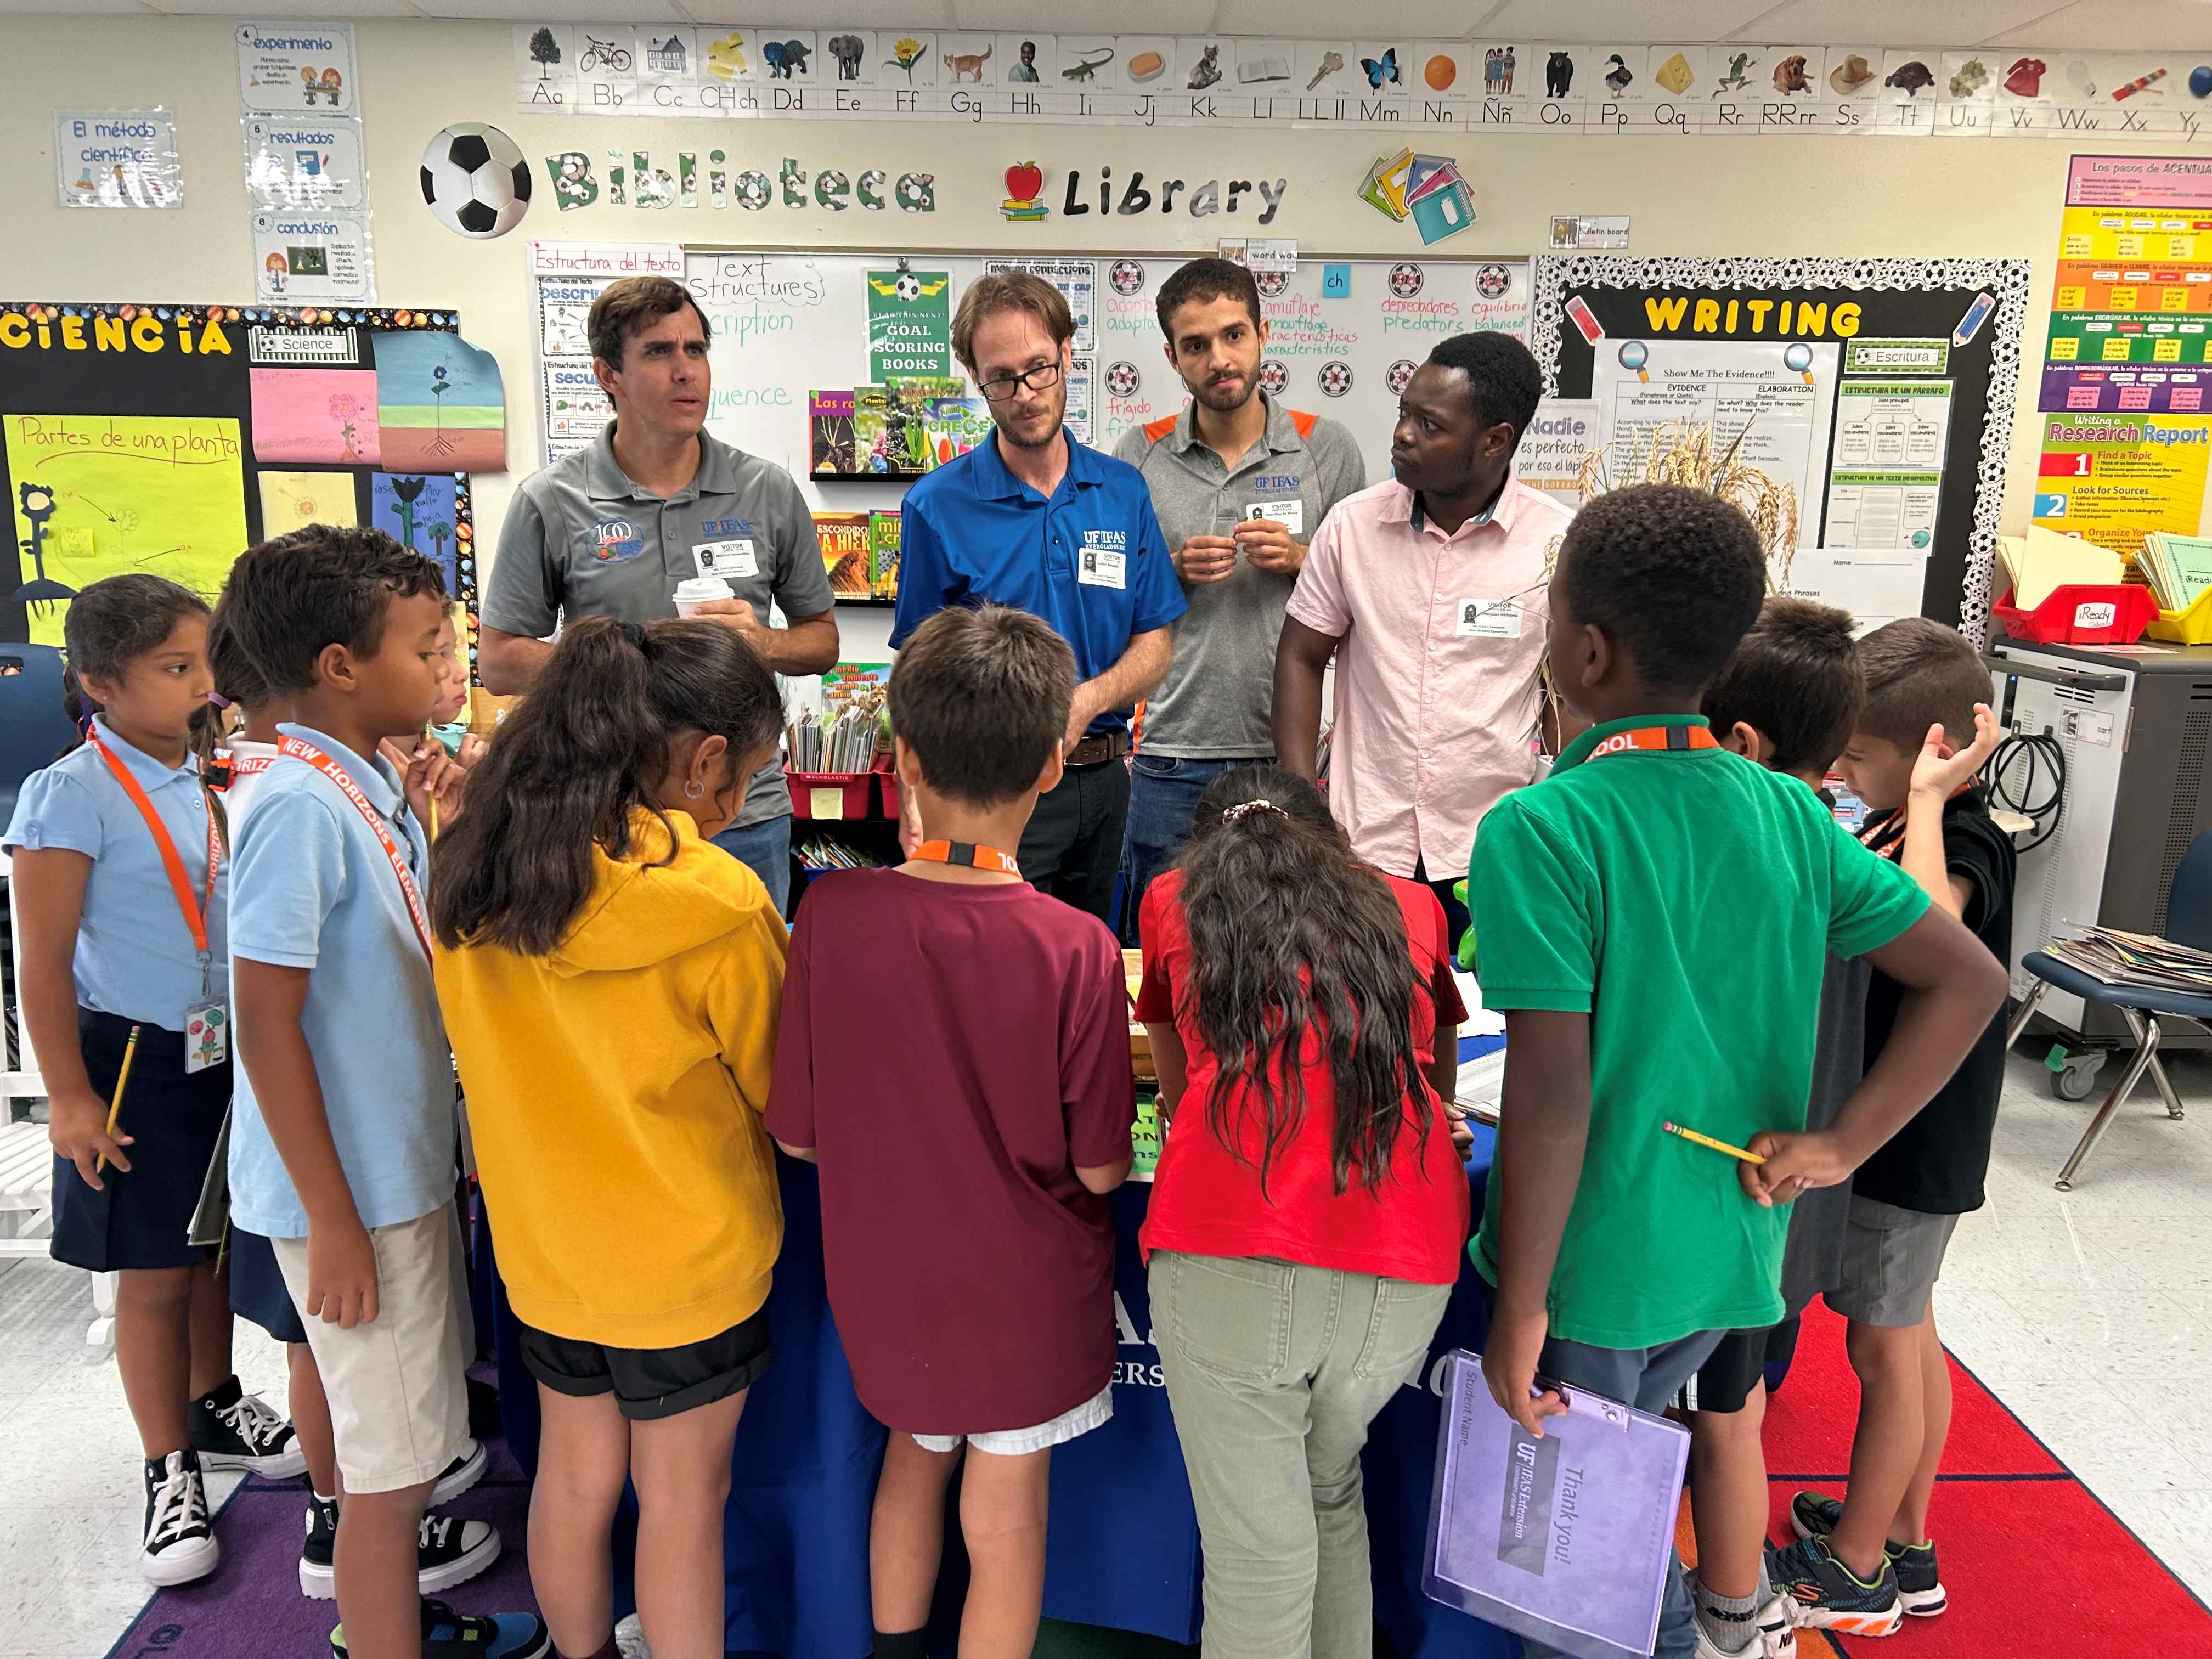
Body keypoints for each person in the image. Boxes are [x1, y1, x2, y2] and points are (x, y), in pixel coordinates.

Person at [1465, 486, 2009, 1659]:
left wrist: (1520, 1307)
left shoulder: (1543, 829)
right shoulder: (1786, 811)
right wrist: (1839, 1147)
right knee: (1629, 1496)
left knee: (1581, 1560)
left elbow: (1552, 1101)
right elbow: (1969, 980)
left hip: (1595, 1265)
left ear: (1585, 648)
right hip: (1732, 1250)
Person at [766, 606, 1135, 1659]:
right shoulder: (1076, 948)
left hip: (886, 1293)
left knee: (911, 1461)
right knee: (1007, 1514)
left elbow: (797, 1136)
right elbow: (1102, 1165)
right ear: (1057, 762)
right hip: (1026, 1299)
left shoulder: (829, 917)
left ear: (901, 758)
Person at [431, 617, 788, 1659]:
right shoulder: (716, 900)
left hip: (543, 1253)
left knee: (573, 1478)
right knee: (681, 1500)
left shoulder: (475, 866)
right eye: (745, 783)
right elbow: (780, 1090)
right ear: (704, 760)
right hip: (689, 1263)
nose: (736, 813)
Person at [221, 526, 548, 1659]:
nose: (449, 665)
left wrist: (442, 825)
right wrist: (332, 1221)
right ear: (340, 668)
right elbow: (266, 1024)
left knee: (412, 1445)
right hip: (351, 1193)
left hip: (393, 1170)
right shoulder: (298, 807)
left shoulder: (366, 782)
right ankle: (378, 1633)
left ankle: (396, 1625)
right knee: (386, 1479)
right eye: (428, 645)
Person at [3, 574, 301, 1588]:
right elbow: (40, 960)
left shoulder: (214, 773)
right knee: (153, 1269)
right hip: (127, 1058)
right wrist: (71, 1100)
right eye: (176, 668)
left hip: (221, 1050)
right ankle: (164, 1463)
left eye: (206, 660)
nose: (204, 684)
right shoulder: (69, 792)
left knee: (212, 1242)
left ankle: (215, 1397)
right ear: (98, 681)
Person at [1136, 764, 1471, 1657]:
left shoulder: (1173, 897)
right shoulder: (1413, 904)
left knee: (1256, 1555)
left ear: (1209, 848)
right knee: (1330, 1488)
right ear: (1333, 840)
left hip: (1230, 1239)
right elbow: (1433, 1071)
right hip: (1405, 1253)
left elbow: (1176, 1095)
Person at [1770, 618, 2016, 1636]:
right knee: (1909, 1334)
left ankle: (1858, 1566)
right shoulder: (1878, 819)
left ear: (1935, 750)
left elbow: (1930, 932)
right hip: (1891, 1123)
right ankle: (1905, 1534)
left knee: (1880, 1342)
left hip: (1912, 1139)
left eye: (1857, 756)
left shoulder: (1964, 836)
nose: (1838, 769)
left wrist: (1920, 794)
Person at [479, 274, 838, 911]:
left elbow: (821, 643)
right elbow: (501, 663)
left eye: (695, 350)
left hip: (743, 813)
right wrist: (632, 656)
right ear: (607, 375)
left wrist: (762, 642)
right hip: (605, 811)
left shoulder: (767, 491)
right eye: (658, 352)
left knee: (750, 1003)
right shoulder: (551, 500)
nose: (686, 372)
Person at [1674, 599, 1867, 1658]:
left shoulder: (1755, 854)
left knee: (1725, 1413)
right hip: (1789, 1190)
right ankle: (1733, 1602)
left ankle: (1732, 1610)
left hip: (1737, 1195)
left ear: (1739, 743)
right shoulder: (1838, 848)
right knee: (1731, 1403)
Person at [891, 270, 1186, 924]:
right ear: (975, 377)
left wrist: (1088, 701)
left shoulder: (1121, 491)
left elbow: (1156, 643)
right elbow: (916, 669)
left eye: (1039, 370)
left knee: (1089, 966)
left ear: (1068, 355)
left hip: (1106, 782)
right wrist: (911, 791)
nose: (1025, 395)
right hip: (992, 787)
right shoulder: (937, 505)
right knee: (997, 968)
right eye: (1002, 378)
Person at [1273, 331, 1568, 949]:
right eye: (1405, 412)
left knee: (1488, 1033)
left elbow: (1566, 693)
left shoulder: (1556, 543)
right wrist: (1302, 801)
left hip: (1496, 851)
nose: (1403, 433)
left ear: (1494, 441)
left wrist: (1562, 804)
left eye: (1429, 424)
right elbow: (1301, 657)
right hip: (1365, 848)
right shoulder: (1353, 526)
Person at [1112, 258, 1367, 930]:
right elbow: (1109, 604)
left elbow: (1367, 598)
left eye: (1233, 336)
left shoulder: (1326, 448)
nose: (1219, 359)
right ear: (1172, 356)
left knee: (1287, 950)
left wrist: (1304, 561)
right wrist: (1169, 569)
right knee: (1164, 953)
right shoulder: (1137, 454)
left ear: (1262, 333)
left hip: (1285, 754)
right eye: (1196, 346)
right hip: (1168, 752)